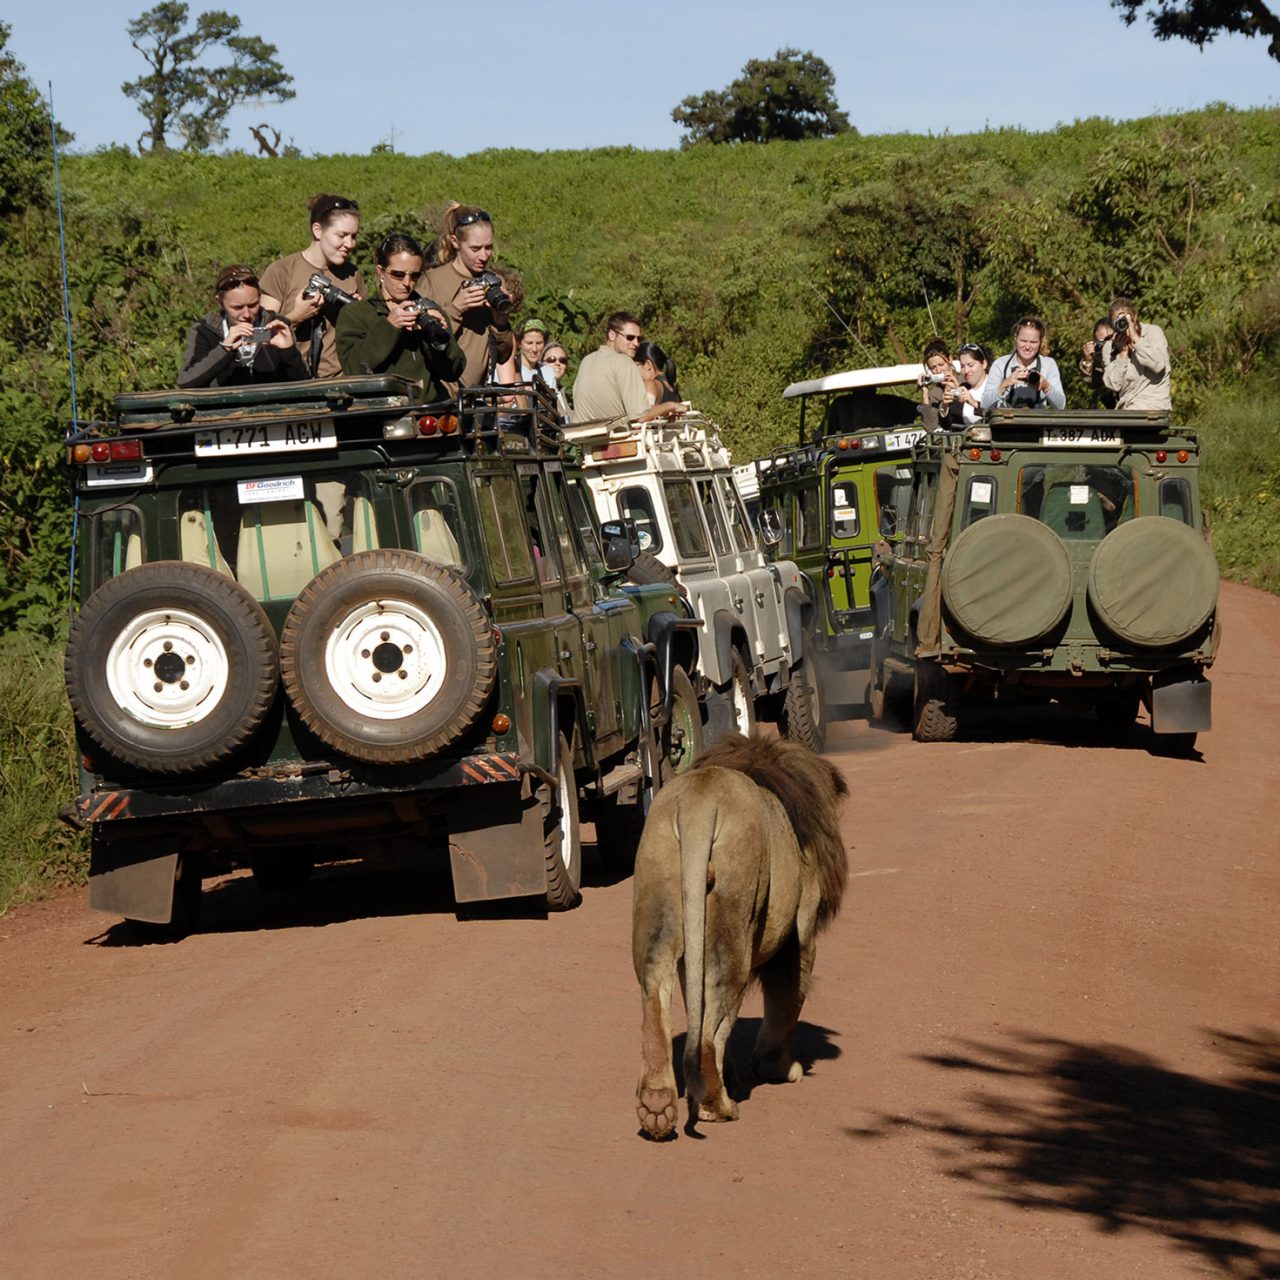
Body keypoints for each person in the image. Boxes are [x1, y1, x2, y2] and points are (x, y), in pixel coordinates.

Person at [335, 233, 465, 398]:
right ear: (380, 271)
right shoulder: (357, 313)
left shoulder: (429, 310)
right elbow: (355, 370)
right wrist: (389, 326)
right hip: (380, 415)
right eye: (398, 274)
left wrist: (435, 336)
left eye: (415, 276)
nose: (406, 283)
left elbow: (453, 371)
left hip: (427, 412)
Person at [259, 194, 365, 378]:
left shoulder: (352, 274)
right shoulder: (281, 271)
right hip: (290, 382)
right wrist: (295, 317)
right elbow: (256, 337)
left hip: (339, 384)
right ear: (318, 230)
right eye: (342, 235)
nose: (349, 244)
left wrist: (356, 315)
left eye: (354, 236)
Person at [421, 206, 515, 388]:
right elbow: (422, 346)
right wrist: (455, 308)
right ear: (455, 242)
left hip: (475, 398)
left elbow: (503, 355)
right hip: (439, 397)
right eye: (475, 248)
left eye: (488, 247)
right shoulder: (431, 282)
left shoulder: (493, 282)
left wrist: (500, 321)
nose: (484, 256)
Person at [178, 265, 307, 389]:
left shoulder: (276, 325)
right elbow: (186, 382)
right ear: (220, 302)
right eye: (237, 307)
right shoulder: (205, 330)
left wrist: (289, 352)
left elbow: (304, 384)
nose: (246, 314)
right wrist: (225, 350)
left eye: (253, 305)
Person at [572, 312, 677, 423]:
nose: (636, 343)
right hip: (617, 437)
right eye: (630, 337)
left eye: (639, 339)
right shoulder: (624, 362)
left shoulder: (586, 360)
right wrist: (672, 405)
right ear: (612, 335)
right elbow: (640, 416)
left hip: (585, 437)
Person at [981, 316, 1066, 411]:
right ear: (1015, 338)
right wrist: (1005, 384)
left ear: (1040, 342)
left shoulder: (1048, 364)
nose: (1027, 346)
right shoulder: (1000, 364)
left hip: (1037, 423)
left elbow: (1060, 405)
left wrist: (1046, 386)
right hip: (1008, 423)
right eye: (1023, 341)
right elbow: (984, 405)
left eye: (1033, 342)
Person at [1101, 297, 1171, 410]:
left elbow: (1158, 365)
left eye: (1127, 318)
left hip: (1154, 406)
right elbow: (1114, 384)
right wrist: (1122, 354)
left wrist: (1136, 340)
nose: (1124, 323)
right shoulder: (1110, 347)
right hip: (1128, 409)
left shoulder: (1153, 332)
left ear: (1135, 316)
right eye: (1118, 320)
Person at [917, 339, 963, 430]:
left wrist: (958, 389)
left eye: (941, 365)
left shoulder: (966, 379)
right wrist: (925, 393)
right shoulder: (934, 395)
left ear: (950, 359)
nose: (938, 371)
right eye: (933, 367)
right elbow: (930, 428)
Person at [1079, 318, 1118, 408]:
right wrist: (1088, 360)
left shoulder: (1128, 352)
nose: (1106, 345)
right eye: (1101, 342)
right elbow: (1091, 382)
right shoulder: (1098, 362)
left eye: (1109, 339)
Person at [953, 342, 990, 424]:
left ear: (984, 364)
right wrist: (945, 406)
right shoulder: (963, 388)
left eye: (970, 365)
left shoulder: (995, 386)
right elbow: (950, 424)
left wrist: (974, 403)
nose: (966, 371)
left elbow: (998, 414)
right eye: (962, 366)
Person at [635, 340, 682, 405]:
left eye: (634, 365)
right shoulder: (672, 388)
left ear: (647, 364)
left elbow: (644, 414)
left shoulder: (650, 385)